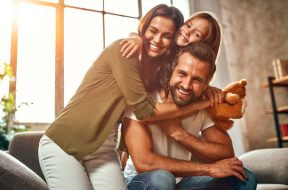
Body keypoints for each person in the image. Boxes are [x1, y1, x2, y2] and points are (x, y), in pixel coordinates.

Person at [38, 4, 214, 190]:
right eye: (152, 31)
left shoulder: (157, 70)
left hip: (102, 151)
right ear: (144, 27)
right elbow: (144, 111)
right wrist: (198, 105)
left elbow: (129, 109)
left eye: (167, 36)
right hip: (64, 143)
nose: (157, 39)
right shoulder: (124, 51)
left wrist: (123, 148)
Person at [122, 43, 257, 190]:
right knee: (163, 179)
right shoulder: (142, 101)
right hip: (142, 180)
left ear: (206, 84)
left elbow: (225, 153)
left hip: (183, 181)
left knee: (243, 178)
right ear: (172, 70)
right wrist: (208, 169)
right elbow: (144, 163)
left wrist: (179, 133)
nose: (186, 85)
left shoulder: (203, 105)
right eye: (182, 74)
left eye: (197, 80)